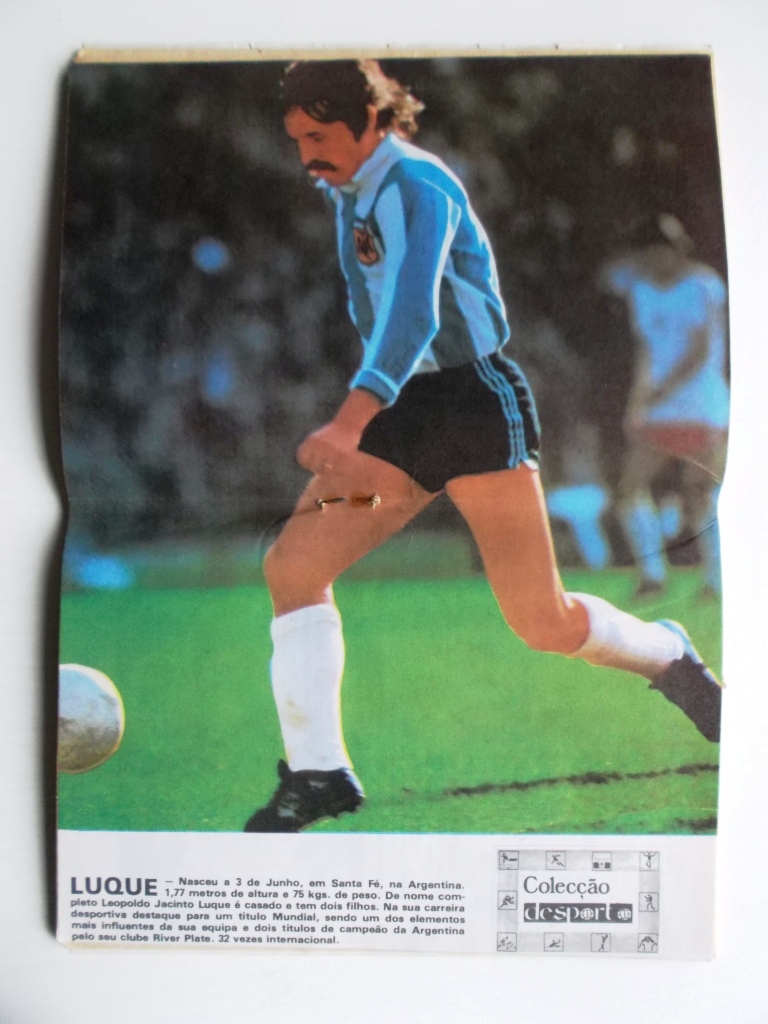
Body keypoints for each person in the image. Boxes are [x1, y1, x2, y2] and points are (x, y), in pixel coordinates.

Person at [243, 61, 722, 833]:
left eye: (319, 135)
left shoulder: (417, 185)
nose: (307, 155)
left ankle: (669, 655)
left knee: (542, 620)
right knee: (294, 567)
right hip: (401, 414)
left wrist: (348, 418)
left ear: (373, 119)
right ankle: (319, 772)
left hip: (473, 406)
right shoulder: (351, 187)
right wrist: (371, 413)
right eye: (296, 138)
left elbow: (415, 316)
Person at [600, 215, 729, 598]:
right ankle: (653, 574)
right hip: (661, 407)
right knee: (629, 489)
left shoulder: (702, 285)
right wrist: (638, 400)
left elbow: (699, 350)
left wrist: (659, 392)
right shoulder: (642, 290)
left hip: (700, 404)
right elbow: (646, 349)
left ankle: (717, 579)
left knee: (700, 491)